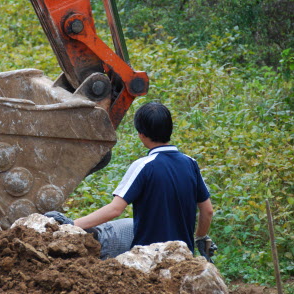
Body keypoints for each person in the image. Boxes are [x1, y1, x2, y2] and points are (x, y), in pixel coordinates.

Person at [46, 102, 216, 261]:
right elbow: (207, 210)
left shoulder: (144, 166)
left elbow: (115, 209)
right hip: (182, 258)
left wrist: (72, 224)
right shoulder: (191, 163)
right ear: (170, 129)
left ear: (141, 134)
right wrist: (200, 237)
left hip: (149, 259)